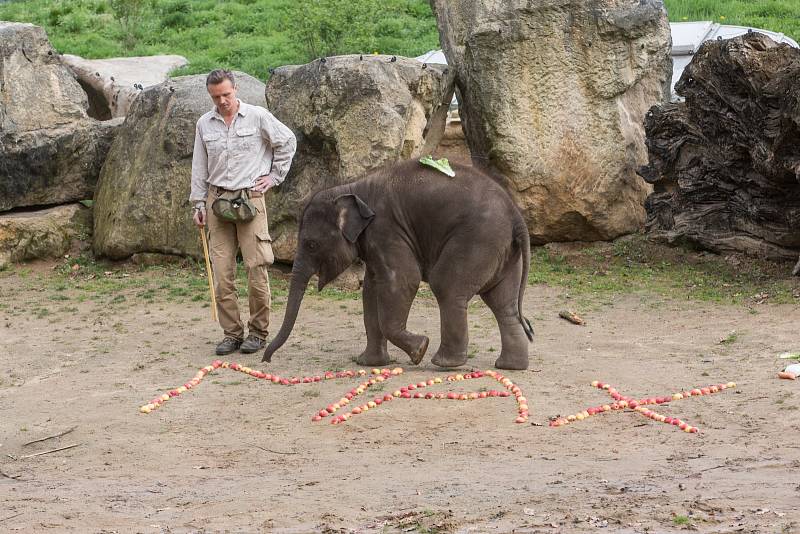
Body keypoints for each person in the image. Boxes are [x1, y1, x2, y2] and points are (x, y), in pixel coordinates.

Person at [190, 69, 296, 355]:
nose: (222, 101)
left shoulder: (258, 116)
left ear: (235, 89)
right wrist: (198, 203)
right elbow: (199, 165)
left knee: (256, 267)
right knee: (222, 272)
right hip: (217, 201)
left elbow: (287, 142)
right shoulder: (204, 123)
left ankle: (259, 333)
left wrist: (274, 177)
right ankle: (232, 333)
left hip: (250, 199)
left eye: (226, 94)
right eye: (216, 96)